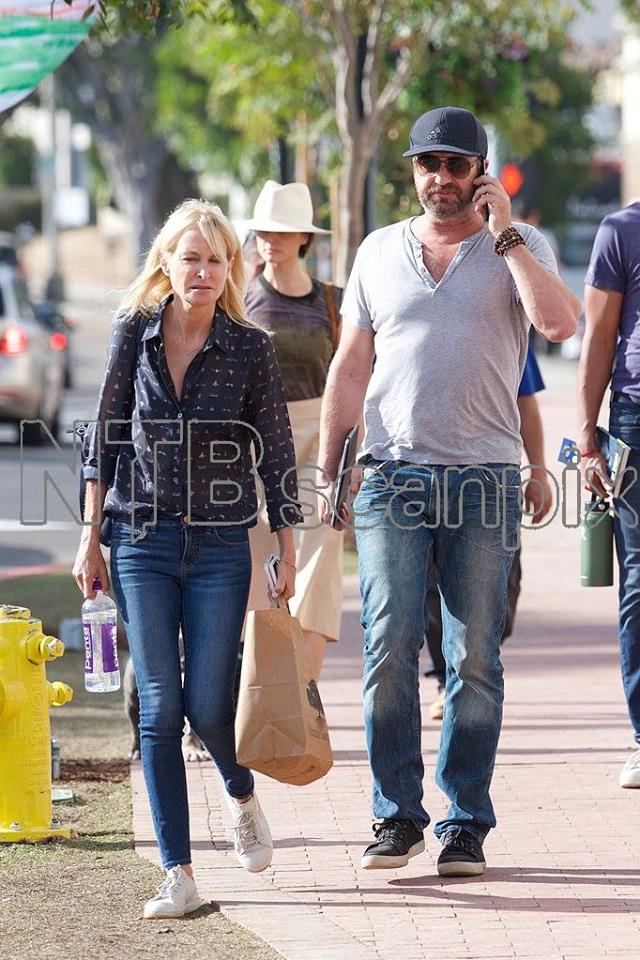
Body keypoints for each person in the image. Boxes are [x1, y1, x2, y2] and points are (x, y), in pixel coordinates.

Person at [318, 105, 579, 877]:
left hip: (484, 481)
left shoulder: (521, 246)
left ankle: (464, 823)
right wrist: (330, 470)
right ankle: (396, 816)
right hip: (391, 475)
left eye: (455, 165)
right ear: (414, 171)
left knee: (473, 660)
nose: (440, 178)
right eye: (427, 164)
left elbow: (559, 326)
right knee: (388, 646)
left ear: (480, 172)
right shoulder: (376, 251)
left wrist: (507, 237)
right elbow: (350, 366)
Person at [73, 199, 301, 919]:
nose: (202, 271)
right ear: (166, 263)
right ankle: (178, 873)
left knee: (207, 703)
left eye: (215, 259)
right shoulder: (132, 332)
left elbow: (276, 447)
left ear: (230, 268)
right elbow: (105, 433)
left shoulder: (249, 346)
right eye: (190, 257)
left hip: (220, 545)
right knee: (159, 705)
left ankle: (240, 795)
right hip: (139, 537)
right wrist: (89, 537)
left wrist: (286, 544)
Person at [243, 181, 344, 679]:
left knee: (319, 553)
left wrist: (352, 455)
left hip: (320, 434)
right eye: (263, 231)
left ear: (304, 237)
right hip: (255, 439)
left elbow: (351, 379)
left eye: (282, 232)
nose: (270, 241)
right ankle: (262, 690)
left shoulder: (332, 301)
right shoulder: (240, 299)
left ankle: (305, 689)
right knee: (260, 559)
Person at [425, 348, 553, 720]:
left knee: (500, 594)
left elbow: (525, 402)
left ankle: (473, 663)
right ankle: (448, 680)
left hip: (493, 477)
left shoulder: (507, 326)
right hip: (422, 474)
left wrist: (539, 470)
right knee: (433, 588)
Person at [576, 200, 640, 788]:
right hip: (635, 421)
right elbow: (598, 336)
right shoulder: (621, 230)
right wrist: (586, 441)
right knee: (639, 579)